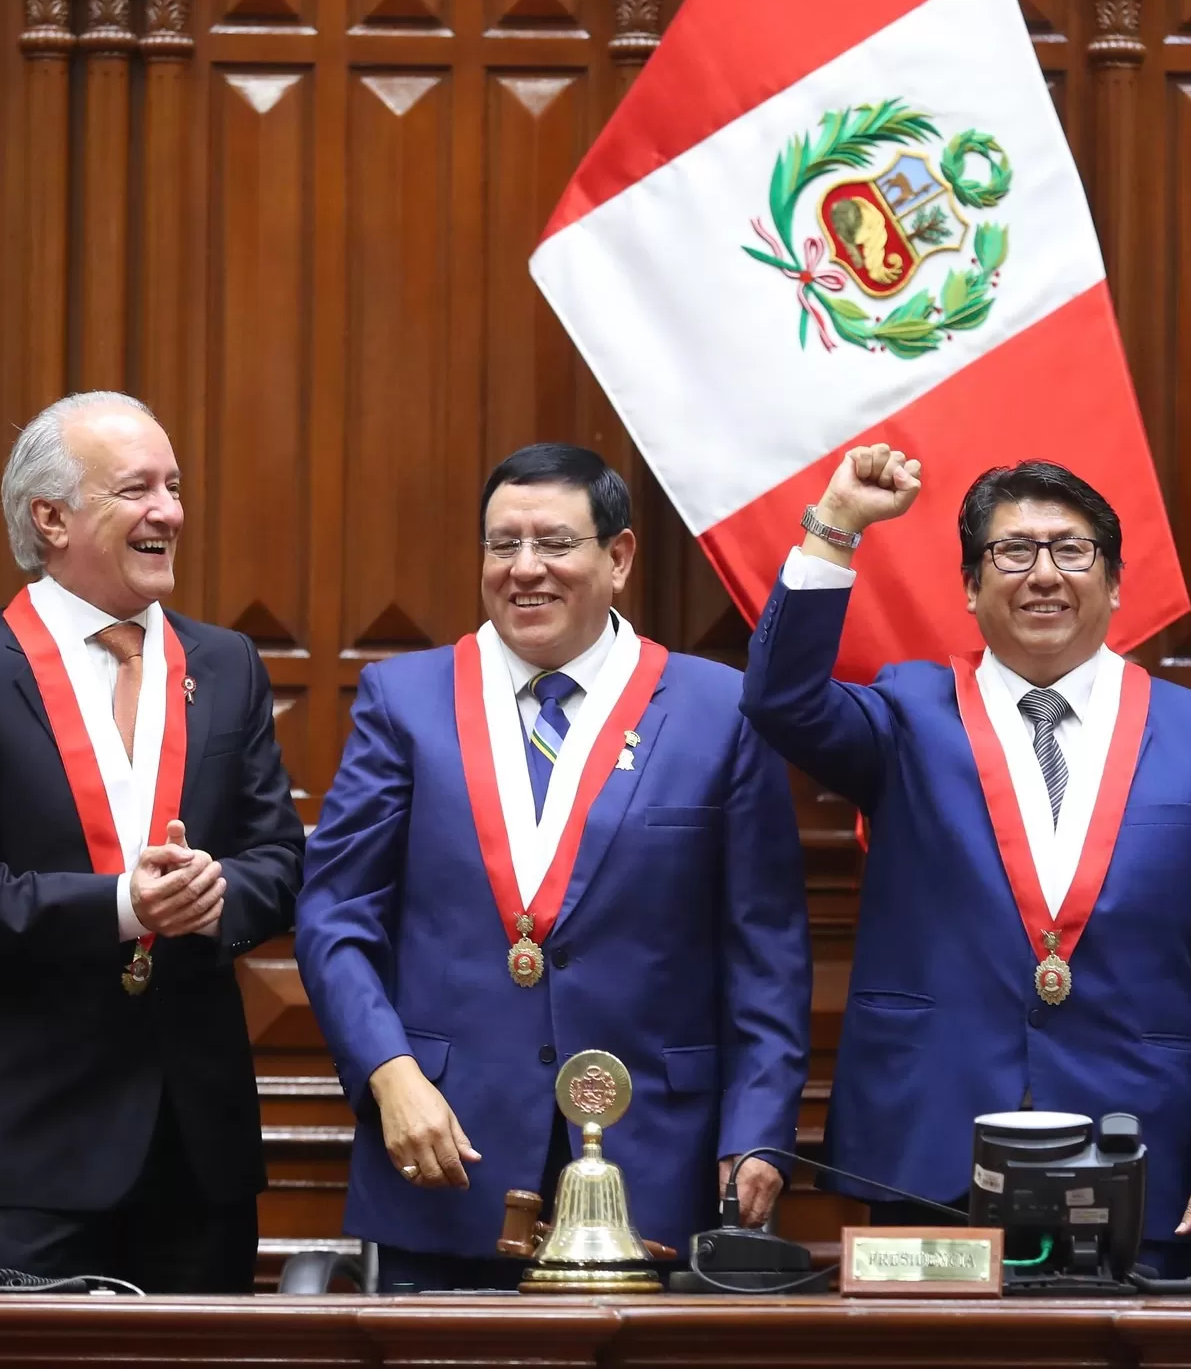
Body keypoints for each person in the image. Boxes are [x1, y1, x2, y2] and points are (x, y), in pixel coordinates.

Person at [741, 445, 1191, 1284]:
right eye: (1012, 551)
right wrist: (838, 526)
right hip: (932, 1154)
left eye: (1071, 550)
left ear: (1113, 582)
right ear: (969, 586)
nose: (1043, 573)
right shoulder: (907, 713)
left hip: (1141, 1148)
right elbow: (781, 699)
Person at [295, 443, 811, 1292]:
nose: (525, 569)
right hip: (445, 1152)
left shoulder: (719, 710)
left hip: (660, 1165)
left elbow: (767, 951)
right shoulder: (405, 701)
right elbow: (334, 917)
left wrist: (756, 1133)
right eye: (503, 545)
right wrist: (392, 1076)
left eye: (554, 543)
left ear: (618, 557)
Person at [0, 391, 304, 1292]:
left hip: (202, 1151)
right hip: (41, 1154)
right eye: (137, 489)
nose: (170, 511)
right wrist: (125, 905)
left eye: (175, 486)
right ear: (51, 518)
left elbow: (280, 860)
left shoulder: (227, 663)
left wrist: (217, 894)